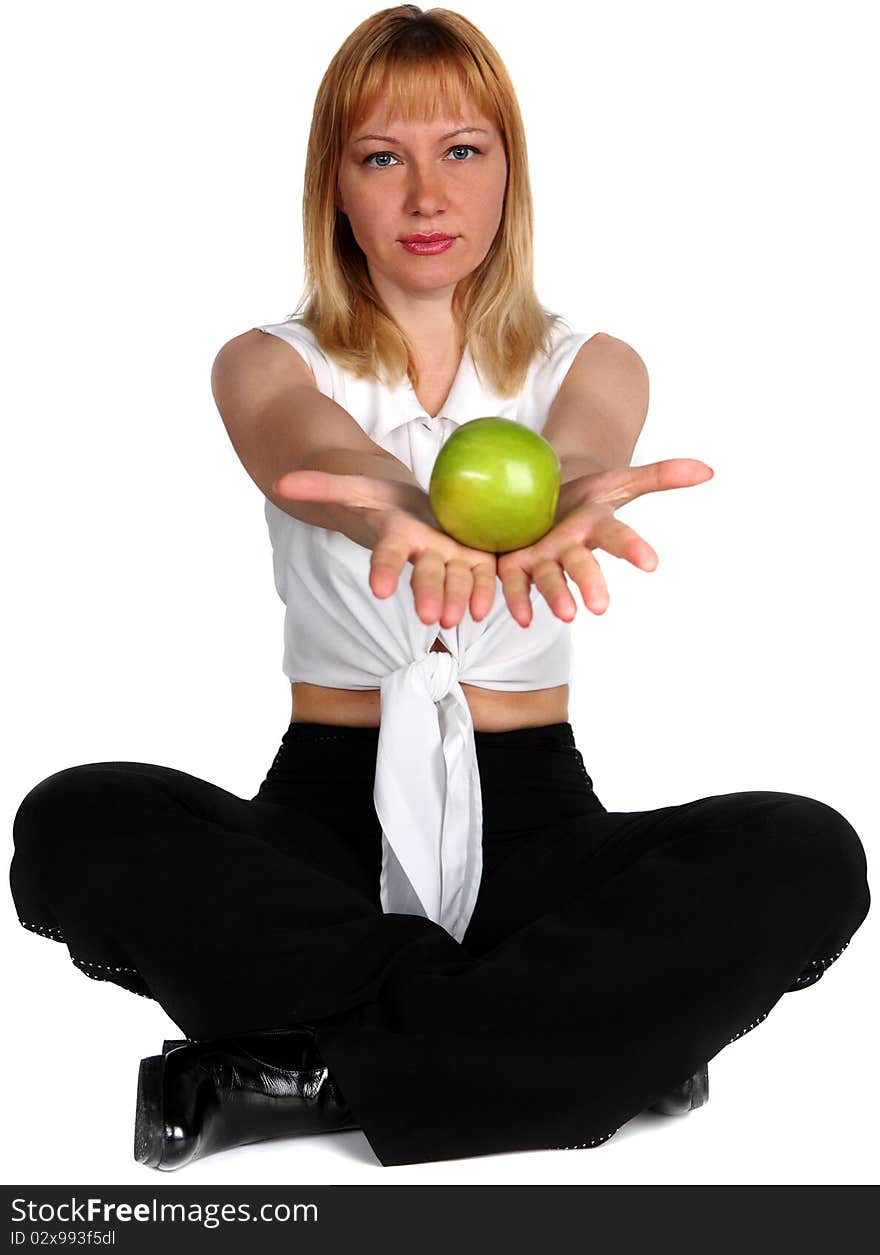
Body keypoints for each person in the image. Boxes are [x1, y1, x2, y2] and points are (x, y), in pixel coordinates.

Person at [9, 4, 870, 1172]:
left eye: (461, 151)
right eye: (382, 157)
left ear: (508, 173)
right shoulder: (269, 358)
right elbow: (312, 454)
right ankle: (588, 1042)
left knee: (806, 853)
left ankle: (304, 1077)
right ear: (336, 187)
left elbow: (578, 445)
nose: (426, 197)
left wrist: (561, 494)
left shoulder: (587, 358)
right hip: (321, 812)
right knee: (73, 822)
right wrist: (397, 502)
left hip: (535, 820)